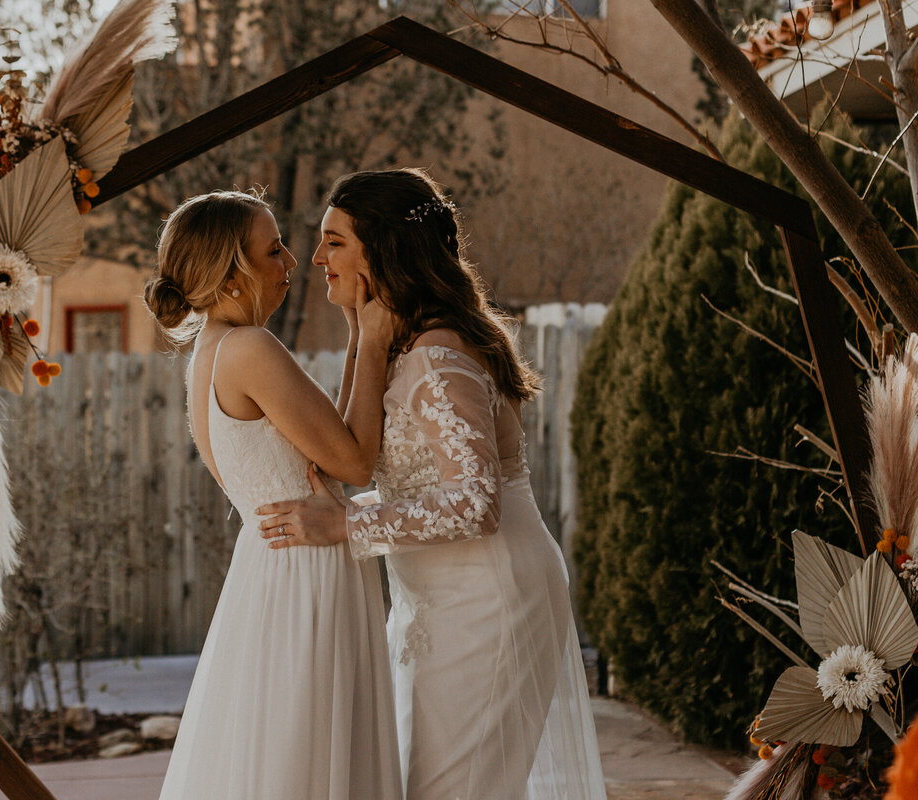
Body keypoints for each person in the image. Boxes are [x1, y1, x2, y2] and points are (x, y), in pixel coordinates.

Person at [256, 169, 608, 800]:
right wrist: (365, 340)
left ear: (382, 250)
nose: (315, 258)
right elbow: (350, 455)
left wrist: (347, 524)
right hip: (441, 601)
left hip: (489, 598)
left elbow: (476, 505)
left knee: (454, 789)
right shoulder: (398, 344)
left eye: (334, 241)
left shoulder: (437, 356)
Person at [145, 189, 403, 800]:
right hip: (305, 572)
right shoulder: (250, 350)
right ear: (234, 273)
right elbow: (357, 461)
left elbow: (332, 445)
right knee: (310, 755)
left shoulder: (213, 354)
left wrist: (357, 338)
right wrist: (376, 341)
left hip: (273, 565)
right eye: (274, 248)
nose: (293, 261)